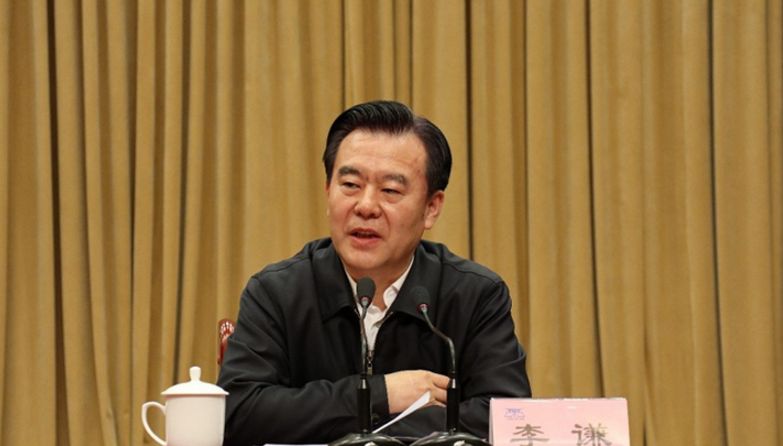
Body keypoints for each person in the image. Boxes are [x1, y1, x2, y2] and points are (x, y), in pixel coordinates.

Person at [217, 100, 531, 446]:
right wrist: (380, 395)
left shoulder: (474, 294)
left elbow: (508, 419)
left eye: (390, 190)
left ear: (431, 207)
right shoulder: (277, 292)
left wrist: (369, 431)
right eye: (350, 184)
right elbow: (239, 413)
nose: (365, 206)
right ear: (328, 191)